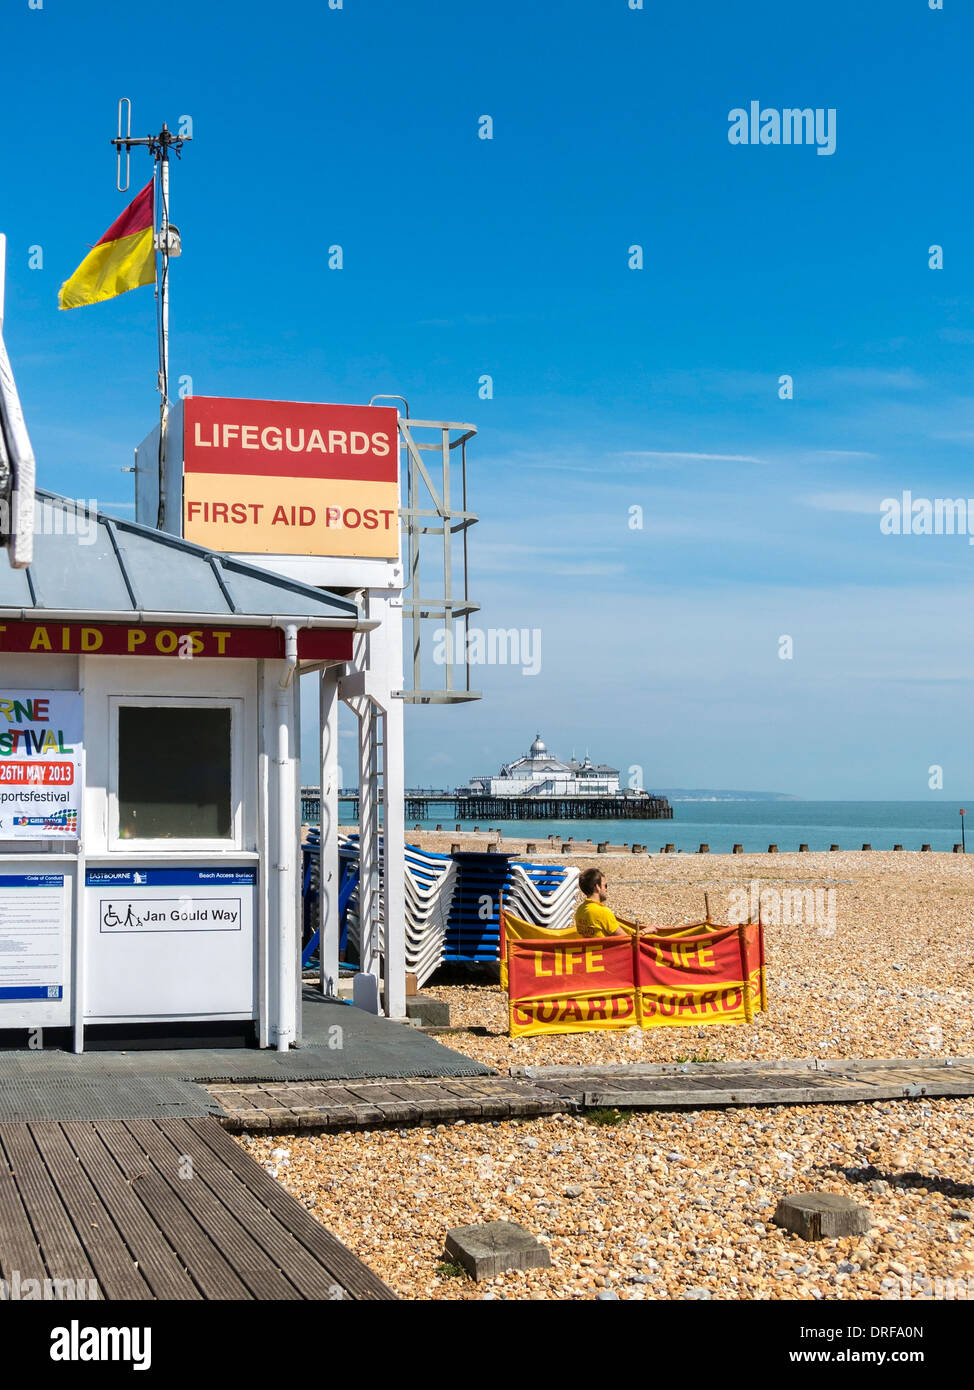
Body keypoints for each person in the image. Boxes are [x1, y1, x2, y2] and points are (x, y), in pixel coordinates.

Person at [574, 868, 642, 937]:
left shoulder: (580, 910)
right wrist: (645, 931)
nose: (606, 889)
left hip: (589, 947)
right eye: (605, 886)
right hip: (604, 948)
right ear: (597, 887)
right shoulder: (602, 912)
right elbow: (626, 939)